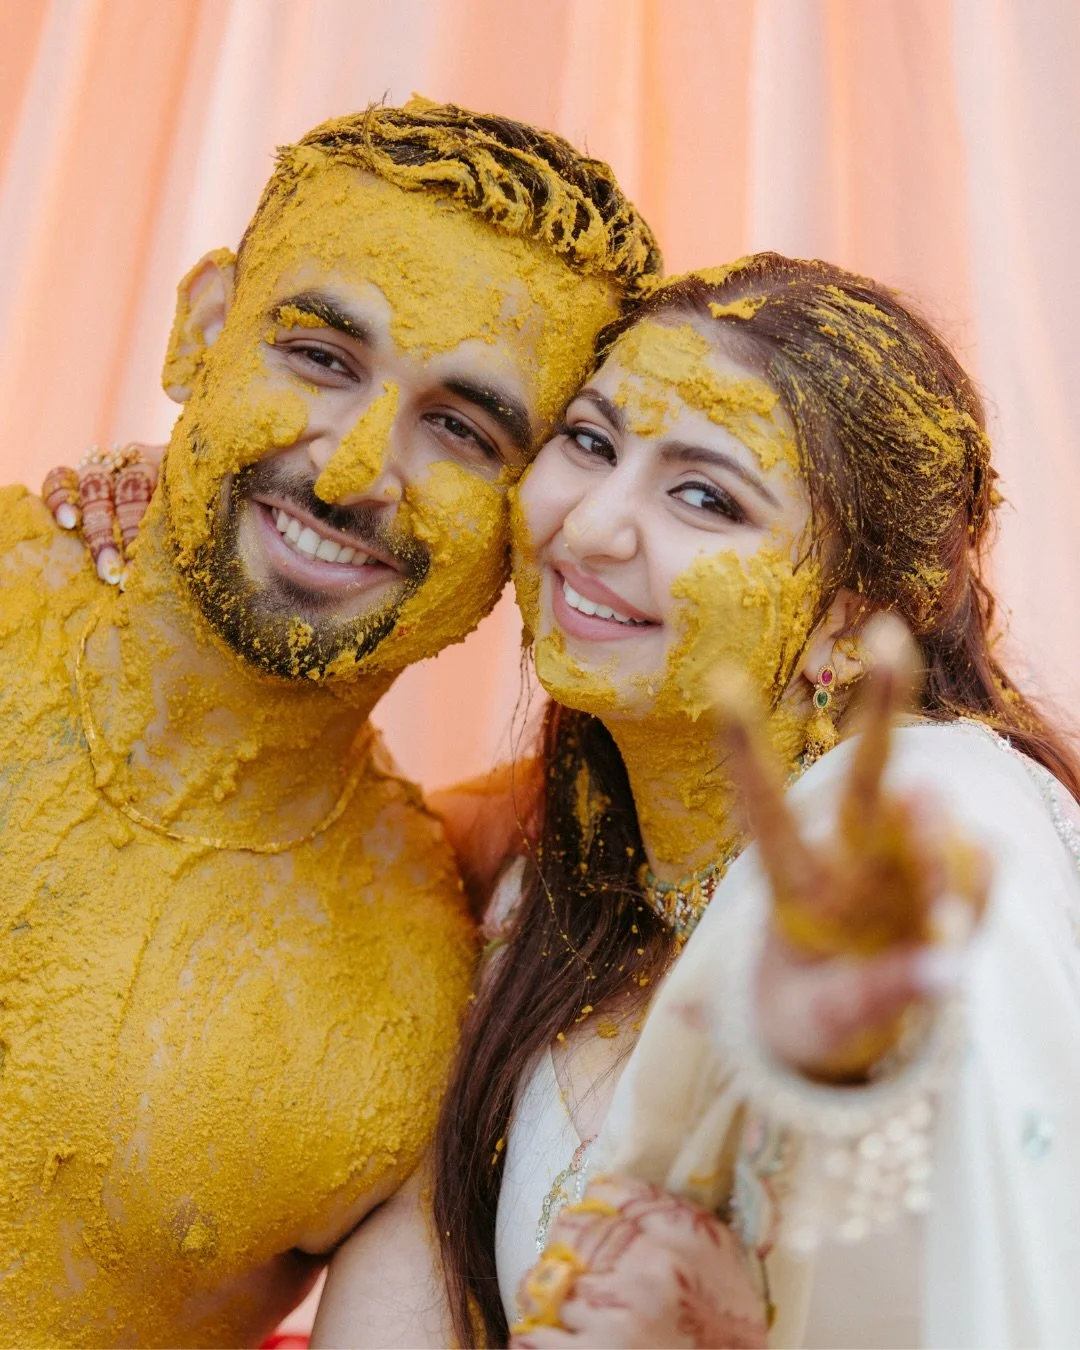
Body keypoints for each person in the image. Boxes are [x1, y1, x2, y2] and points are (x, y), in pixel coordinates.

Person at [315, 255, 1080, 1349]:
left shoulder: (928, 834)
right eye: (589, 441)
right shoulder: (545, 877)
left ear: (854, 621)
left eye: (704, 496)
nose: (588, 530)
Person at [2, 99, 659, 1346]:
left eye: (463, 430)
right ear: (204, 331)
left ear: (539, 526)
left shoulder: (415, 1016)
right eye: (318, 357)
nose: (355, 466)